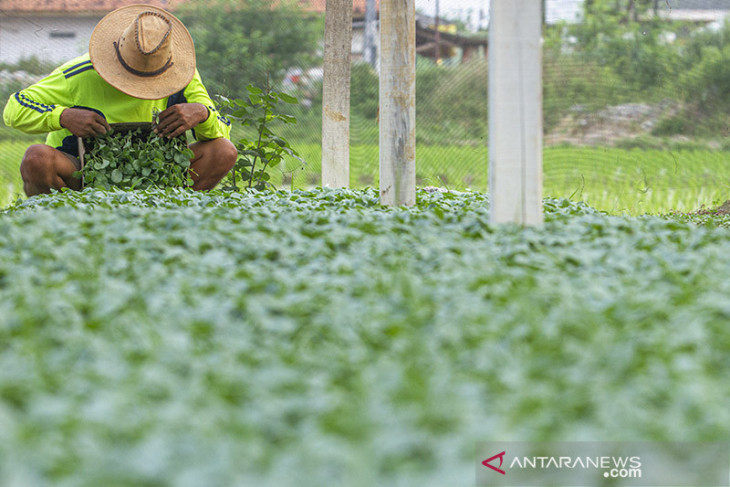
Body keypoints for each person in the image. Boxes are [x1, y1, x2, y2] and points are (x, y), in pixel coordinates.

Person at [2, 4, 238, 196]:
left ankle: (171, 213)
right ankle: (66, 222)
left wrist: (202, 114)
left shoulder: (183, 75)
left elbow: (222, 132)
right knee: (37, 158)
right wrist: (62, 116)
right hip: (80, 172)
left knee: (224, 151)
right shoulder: (81, 73)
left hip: (159, 175)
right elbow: (15, 107)